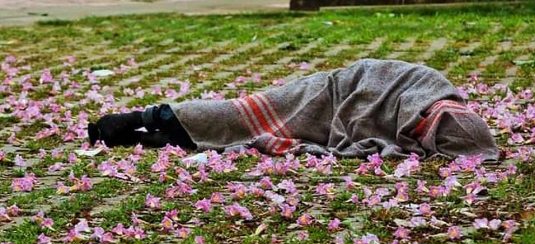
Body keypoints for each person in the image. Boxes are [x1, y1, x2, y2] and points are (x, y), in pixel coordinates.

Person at [88, 59, 498, 160]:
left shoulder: (416, 129)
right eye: (426, 127)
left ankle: (153, 138)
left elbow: (376, 135)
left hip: (326, 117)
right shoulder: (426, 88)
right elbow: (366, 88)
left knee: (244, 134)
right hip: (330, 90)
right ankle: (141, 119)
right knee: (238, 114)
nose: (418, 133)